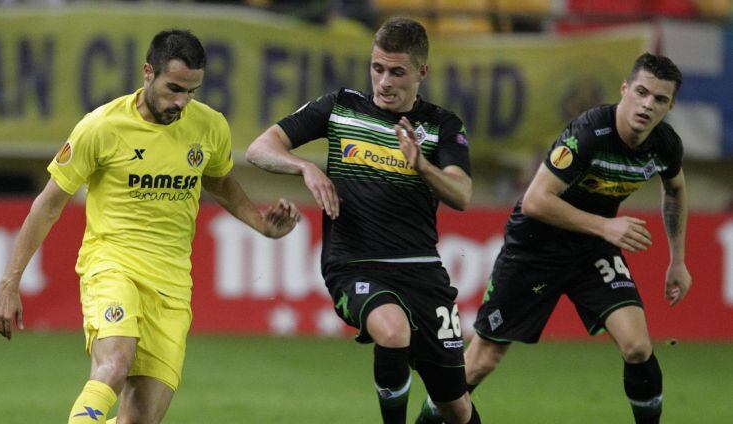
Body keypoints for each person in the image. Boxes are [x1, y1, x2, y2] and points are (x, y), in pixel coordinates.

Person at [0, 29, 300, 424]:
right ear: (147, 72)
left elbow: (218, 181)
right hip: (112, 264)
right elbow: (47, 205)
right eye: (173, 89)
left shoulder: (209, 127)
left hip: (171, 283)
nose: (181, 102)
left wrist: (261, 223)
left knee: (140, 419)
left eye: (192, 92)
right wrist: (8, 283)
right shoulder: (100, 127)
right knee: (115, 363)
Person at [417, 53, 691, 424]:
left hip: (591, 249)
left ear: (670, 105)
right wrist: (606, 226)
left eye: (659, 99)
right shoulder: (590, 133)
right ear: (625, 89)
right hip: (536, 248)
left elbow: (675, 189)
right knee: (479, 364)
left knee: (638, 346)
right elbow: (534, 201)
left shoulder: (664, 145)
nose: (647, 104)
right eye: (641, 92)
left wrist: (677, 261)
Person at [246, 16, 480, 424]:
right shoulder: (341, 107)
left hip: (422, 271)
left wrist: (422, 166)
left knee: (455, 408)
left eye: (397, 71)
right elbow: (259, 148)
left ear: (421, 71)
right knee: (392, 331)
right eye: (377, 68)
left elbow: (461, 194)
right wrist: (304, 167)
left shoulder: (441, 125)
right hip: (353, 263)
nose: (384, 81)